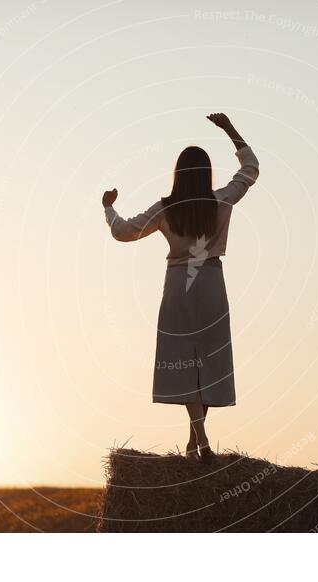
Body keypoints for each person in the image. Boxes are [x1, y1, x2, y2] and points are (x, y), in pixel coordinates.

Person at [102, 113, 260, 464]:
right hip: (211, 282)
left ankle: (197, 437)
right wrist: (230, 131)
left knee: (184, 360)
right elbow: (250, 169)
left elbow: (124, 232)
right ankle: (198, 439)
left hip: (178, 286)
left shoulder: (165, 208)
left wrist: (109, 208)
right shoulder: (220, 201)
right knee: (207, 360)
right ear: (207, 175)